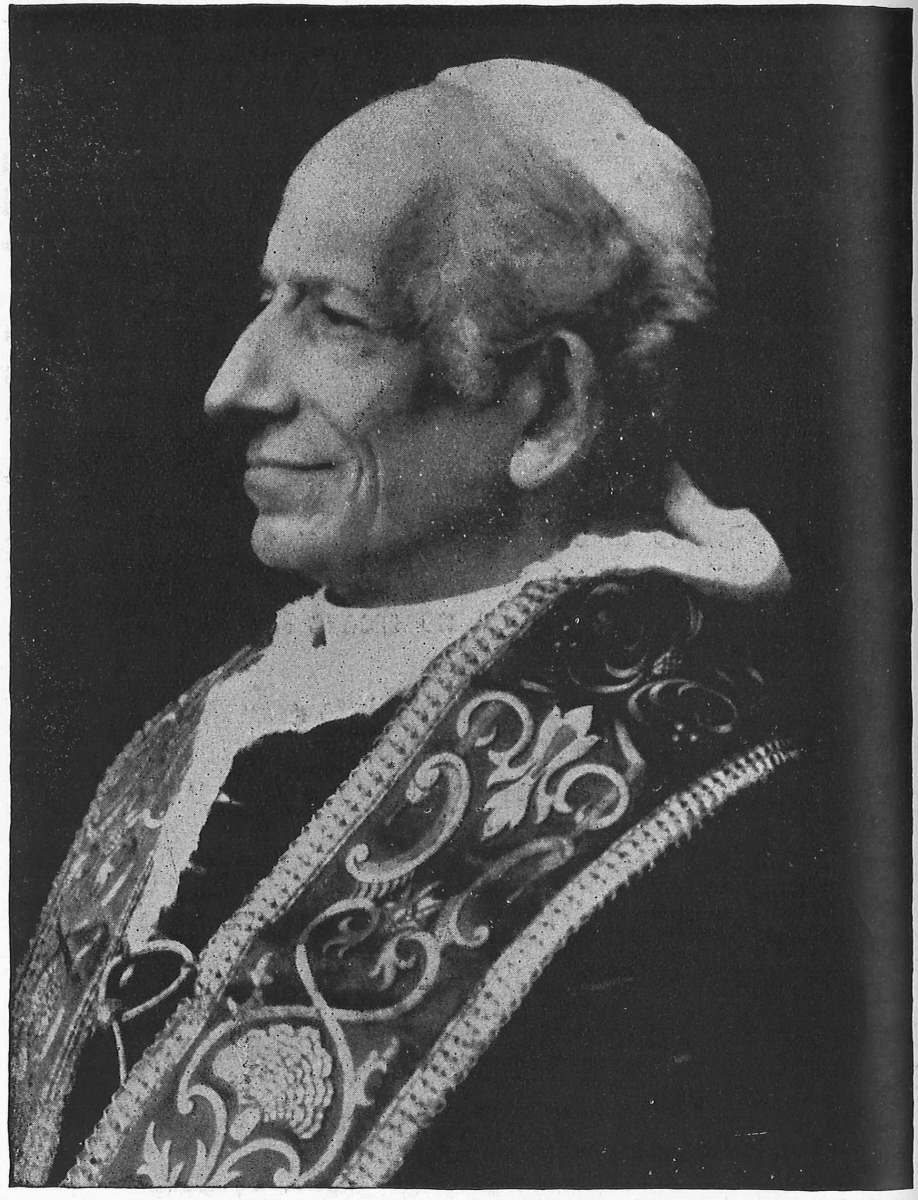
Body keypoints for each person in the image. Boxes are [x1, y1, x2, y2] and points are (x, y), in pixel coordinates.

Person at [11, 59, 854, 1187]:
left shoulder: (730, 832)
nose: (234, 385)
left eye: (336, 319)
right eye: (269, 299)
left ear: (548, 405)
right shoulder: (216, 725)